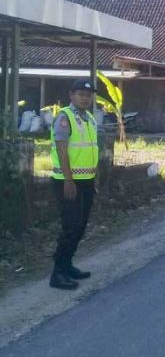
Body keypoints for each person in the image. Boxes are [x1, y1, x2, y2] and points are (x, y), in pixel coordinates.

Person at [49, 79, 99, 290]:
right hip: (67, 182)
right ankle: (58, 273)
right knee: (70, 227)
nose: (85, 98)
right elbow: (62, 150)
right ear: (71, 95)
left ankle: (68, 265)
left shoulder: (89, 119)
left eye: (88, 95)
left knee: (80, 227)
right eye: (81, 94)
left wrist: (95, 178)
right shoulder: (65, 117)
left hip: (86, 181)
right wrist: (69, 180)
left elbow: (91, 150)